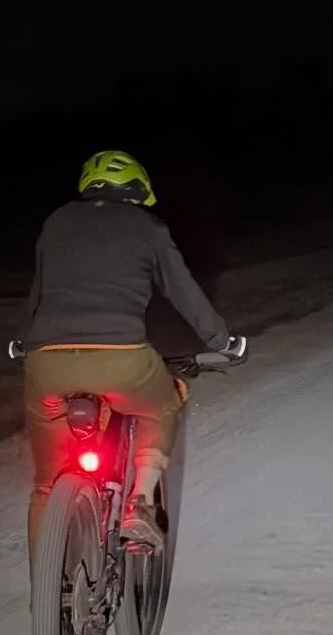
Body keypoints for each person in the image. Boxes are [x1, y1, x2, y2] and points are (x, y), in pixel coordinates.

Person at [19, 150, 247, 560]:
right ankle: (140, 500)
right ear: (139, 190)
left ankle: (49, 600)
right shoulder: (147, 226)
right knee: (162, 403)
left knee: (45, 484)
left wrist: (25, 341)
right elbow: (183, 291)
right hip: (121, 359)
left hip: (47, 363)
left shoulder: (56, 223)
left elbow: (39, 294)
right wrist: (221, 342)